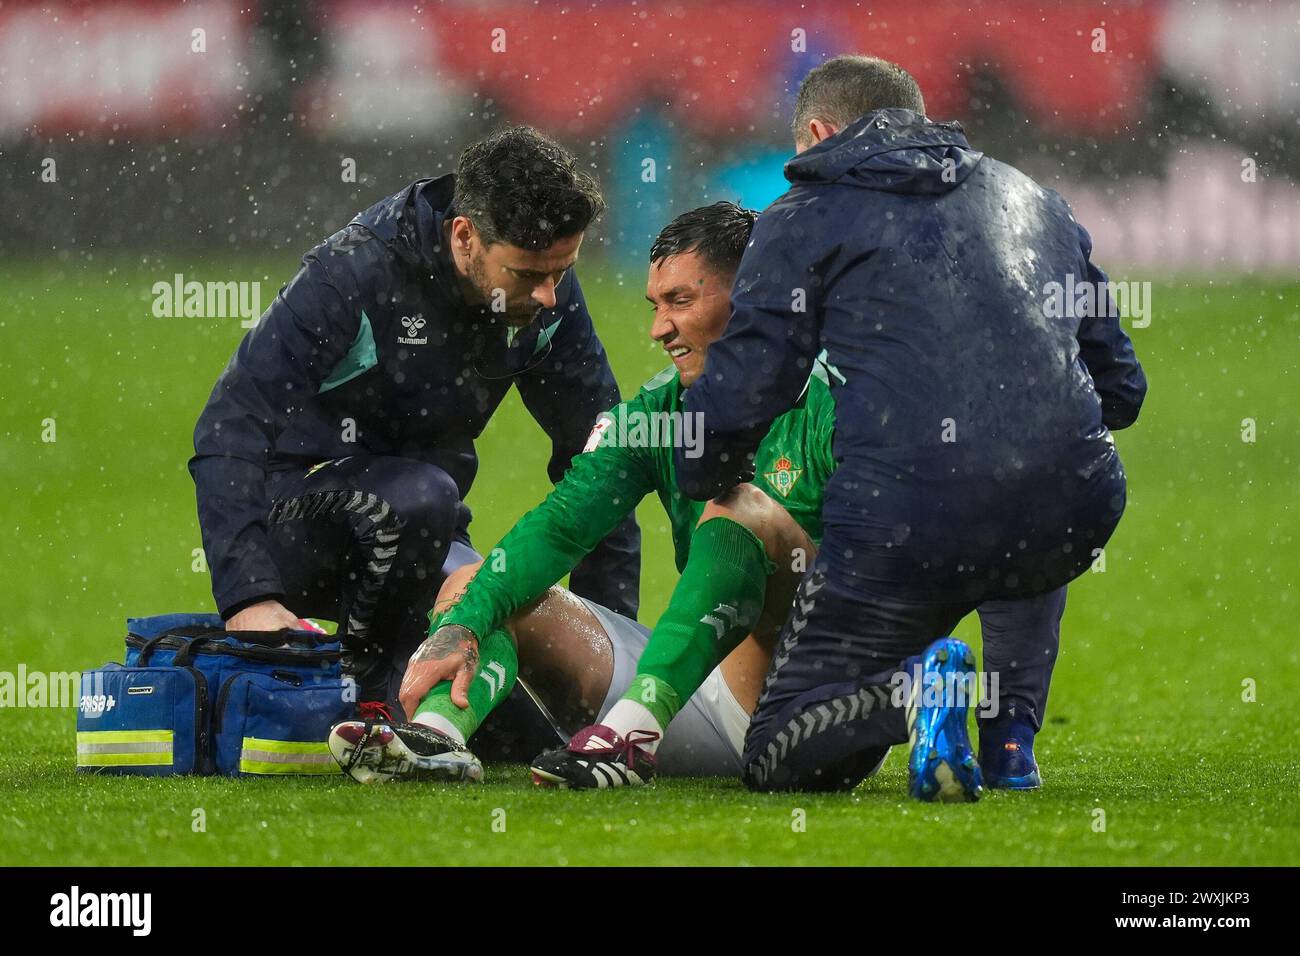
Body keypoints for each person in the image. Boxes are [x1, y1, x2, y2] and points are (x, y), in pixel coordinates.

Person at [675, 56, 1146, 799]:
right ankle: (1012, 740)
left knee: (780, 751)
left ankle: (921, 691)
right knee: (1034, 471)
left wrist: (700, 477)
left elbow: (745, 393)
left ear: (821, 133)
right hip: (1072, 507)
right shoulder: (1034, 197)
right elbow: (1122, 389)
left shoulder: (803, 216)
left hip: (908, 519)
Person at [328, 202, 835, 785]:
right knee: (481, 587)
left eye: (680, 302)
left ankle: (630, 734)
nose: (658, 329)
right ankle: (437, 740)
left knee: (739, 506)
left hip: (809, 707)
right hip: (690, 694)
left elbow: (885, 575)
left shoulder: (839, 403)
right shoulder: (658, 414)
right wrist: (461, 625)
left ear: (751, 297)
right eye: (655, 305)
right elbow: (561, 526)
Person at [189, 126, 640, 710]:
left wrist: (603, 650)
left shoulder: (544, 290)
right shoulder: (351, 275)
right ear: (464, 237)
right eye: (530, 275)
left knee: (516, 660)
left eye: (562, 272)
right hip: (298, 527)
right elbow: (230, 423)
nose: (551, 295)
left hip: (428, 534)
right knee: (421, 495)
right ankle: (371, 696)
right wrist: (249, 597)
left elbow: (603, 461)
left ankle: (410, 686)